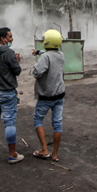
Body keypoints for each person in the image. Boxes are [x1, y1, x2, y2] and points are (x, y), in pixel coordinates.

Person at [0, 26, 24, 164]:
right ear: (3, 38)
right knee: (9, 122)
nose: (12, 39)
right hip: (7, 93)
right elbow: (17, 71)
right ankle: (12, 155)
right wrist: (17, 61)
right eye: (10, 37)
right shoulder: (9, 53)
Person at [31, 29, 65, 162]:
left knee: (37, 120)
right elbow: (50, 55)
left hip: (46, 96)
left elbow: (37, 72)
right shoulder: (61, 55)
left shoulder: (45, 58)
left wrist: (36, 62)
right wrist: (39, 52)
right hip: (60, 94)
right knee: (57, 123)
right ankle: (55, 154)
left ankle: (44, 150)